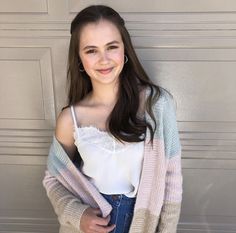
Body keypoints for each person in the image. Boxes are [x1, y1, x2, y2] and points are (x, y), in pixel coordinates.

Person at [43, 5, 182, 233]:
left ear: (124, 50)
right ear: (79, 58)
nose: (104, 59)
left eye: (111, 47)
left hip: (142, 222)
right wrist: (78, 214)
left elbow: (171, 181)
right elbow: (53, 180)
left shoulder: (157, 105)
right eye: (91, 50)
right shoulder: (70, 119)